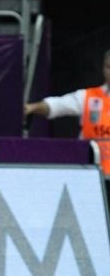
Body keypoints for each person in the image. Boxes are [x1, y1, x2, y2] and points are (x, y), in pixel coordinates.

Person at [25, 49, 110, 186]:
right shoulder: (88, 97)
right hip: (92, 175)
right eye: (108, 66)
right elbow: (58, 105)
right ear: (103, 68)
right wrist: (32, 107)